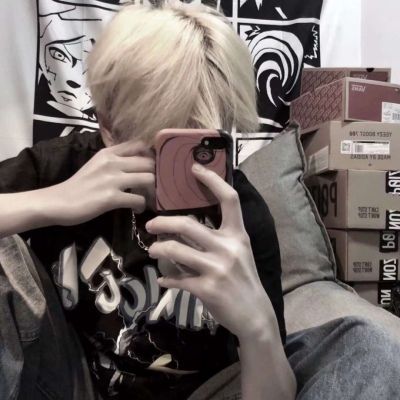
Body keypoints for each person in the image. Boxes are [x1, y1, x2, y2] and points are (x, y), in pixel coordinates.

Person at [1, 2, 400, 400]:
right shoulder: (67, 166)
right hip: (73, 384)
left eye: (200, 145)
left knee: (368, 347)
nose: (182, 170)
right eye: (159, 146)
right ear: (108, 126)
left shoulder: (240, 211)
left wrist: (257, 327)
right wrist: (50, 202)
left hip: (208, 392)